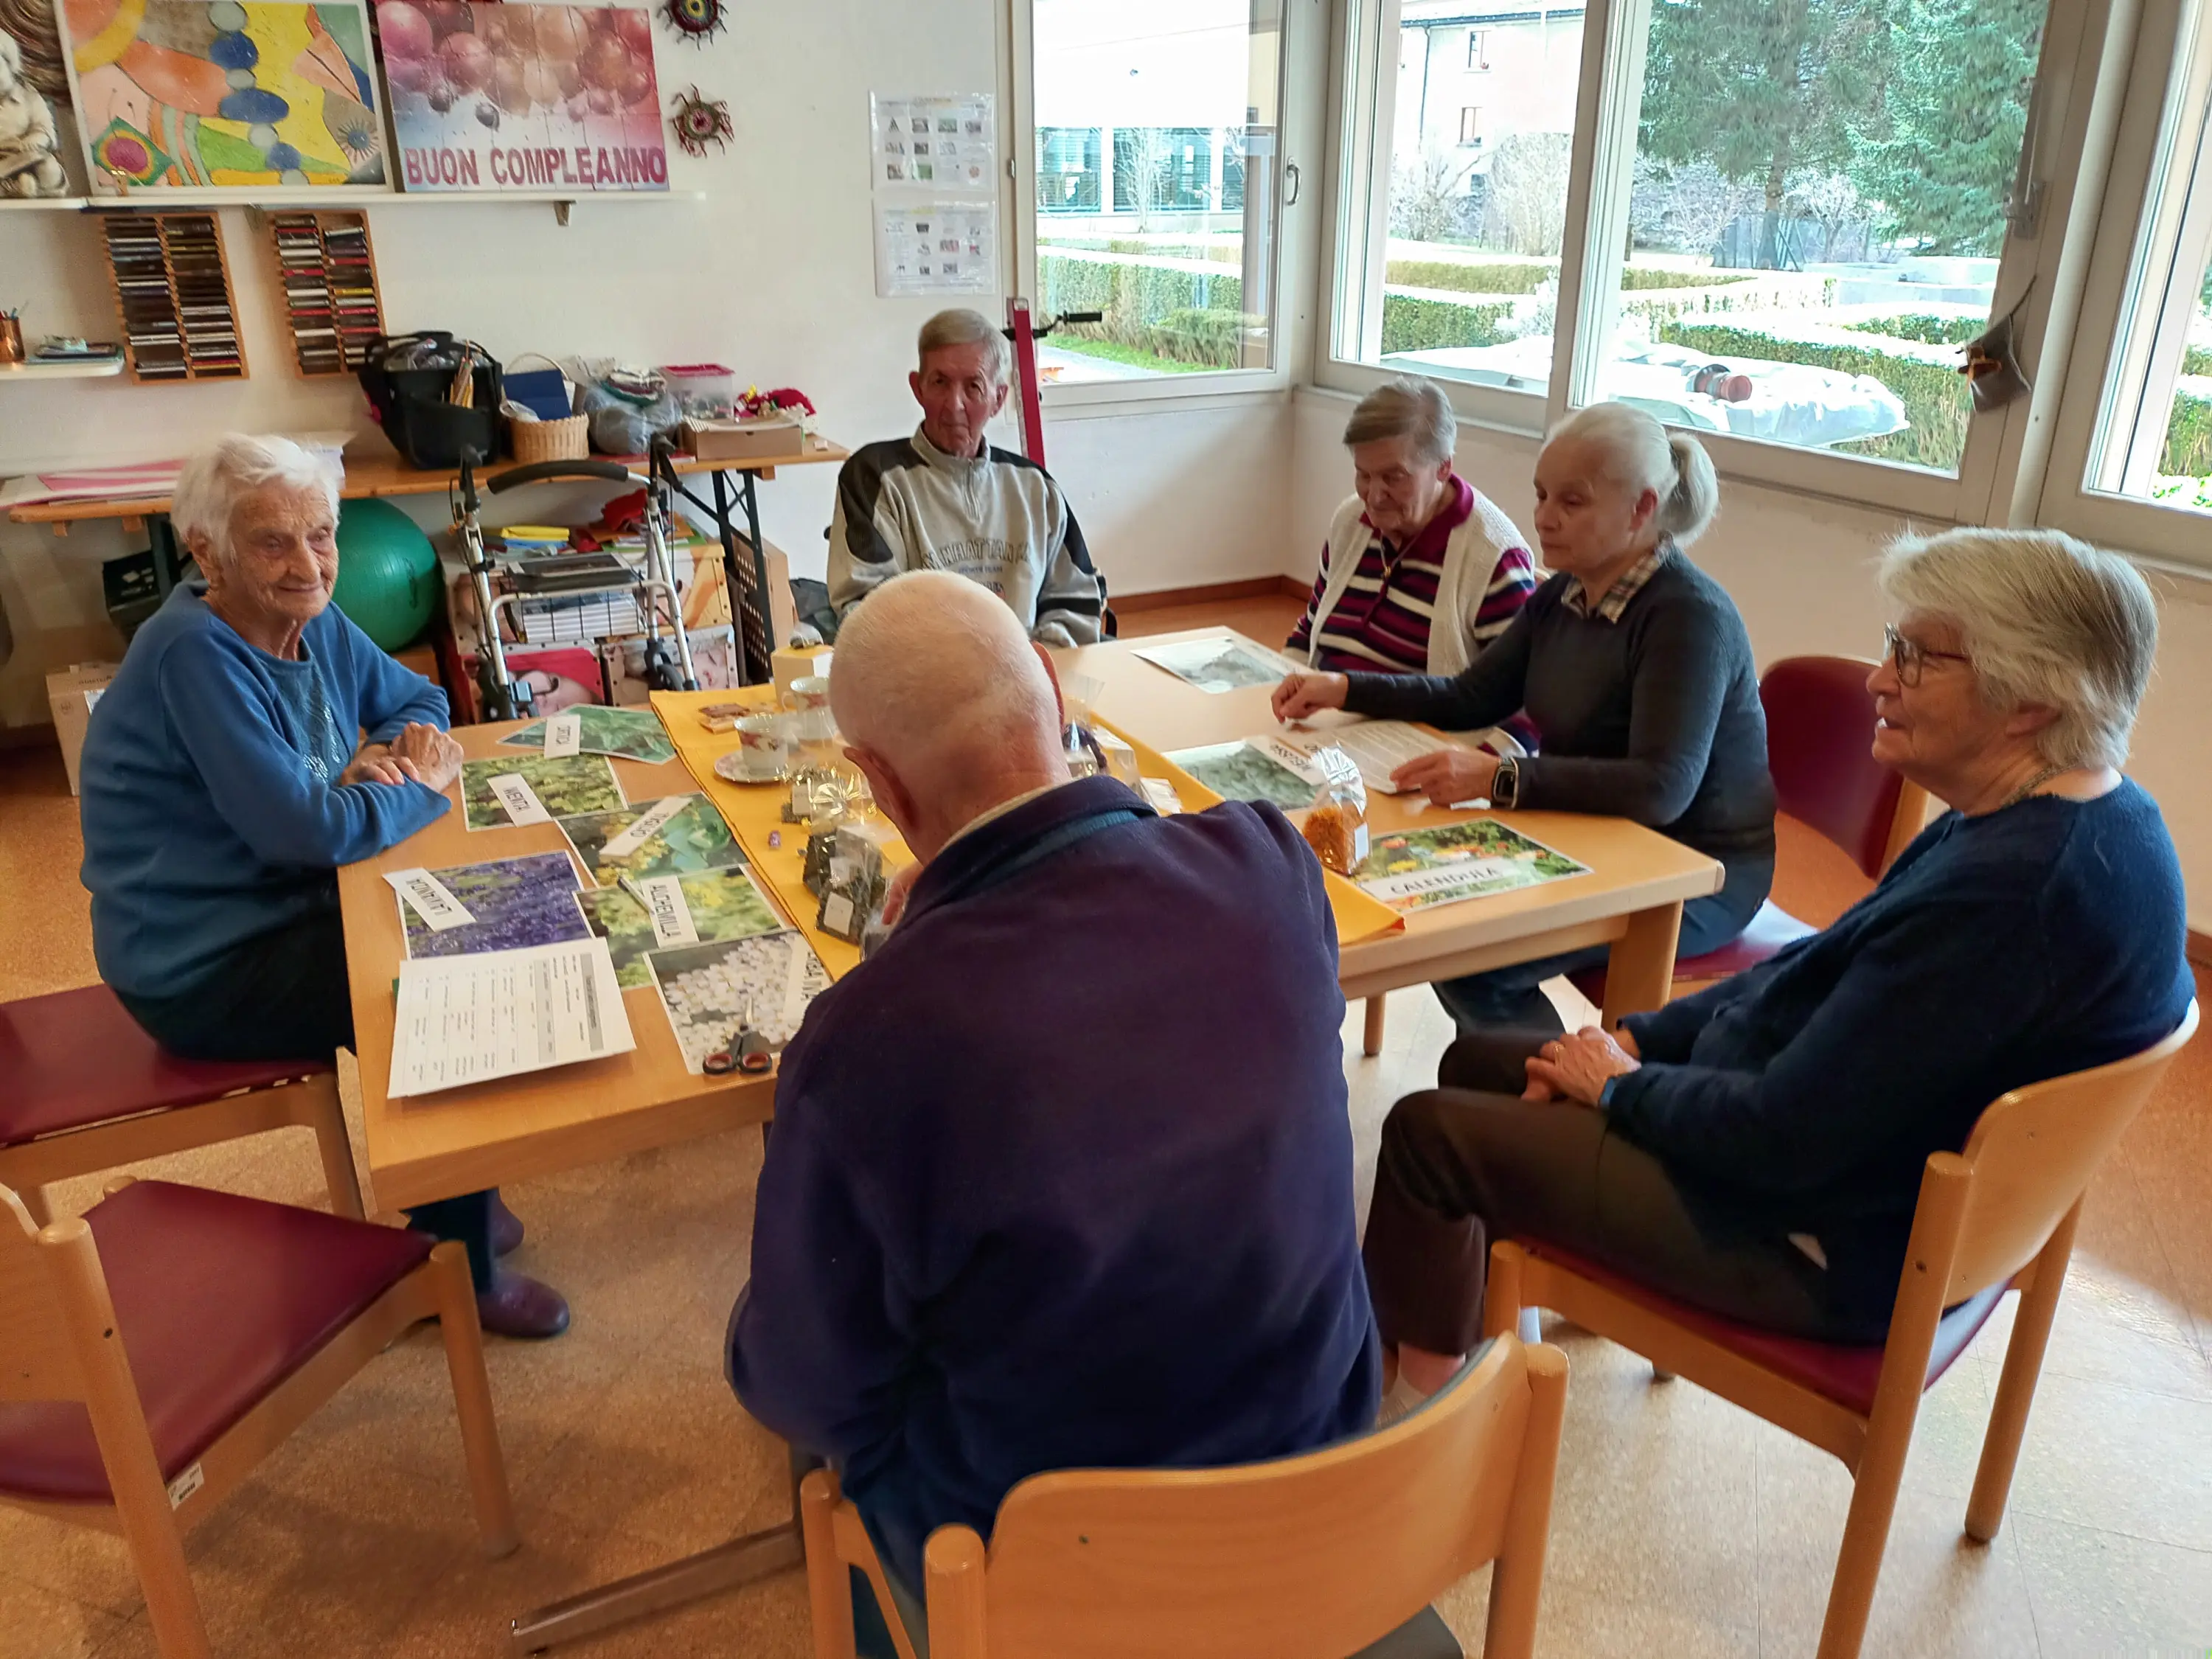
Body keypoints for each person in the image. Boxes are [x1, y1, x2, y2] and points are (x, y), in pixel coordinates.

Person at [1362, 528, 2192, 1399]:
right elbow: (1813, 970)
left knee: (1427, 1131)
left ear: (2029, 703)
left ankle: (1418, 1424)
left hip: (1824, 1243)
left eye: (1913, 658)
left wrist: (1619, 1086)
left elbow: (1780, 1140)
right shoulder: (2084, 816)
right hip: (1852, 1174)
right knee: (1485, 1058)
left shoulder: (2010, 898)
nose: (1880, 678)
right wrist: (1642, 1041)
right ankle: (1456, 1346)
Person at [727, 571, 1378, 1646]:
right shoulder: (1269, 861)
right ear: (1054, 690)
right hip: (1328, 1480)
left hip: (1064, 1585)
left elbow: (807, 1388)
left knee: (818, 1408)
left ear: (878, 784)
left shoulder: (868, 1039)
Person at [77, 434, 569, 1340]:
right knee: (429, 993)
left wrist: (394, 754)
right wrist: (416, 789)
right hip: (200, 962)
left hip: (281, 900)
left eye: (323, 535)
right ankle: (452, 1267)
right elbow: (306, 833)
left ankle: (461, 1188)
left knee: (455, 916)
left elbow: (418, 702)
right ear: (207, 552)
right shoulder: (195, 652)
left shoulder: (313, 615)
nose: (308, 564)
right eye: (273, 542)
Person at [1274, 401, 1775, 1032]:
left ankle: (1545, 1095)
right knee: (1455, 939)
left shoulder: (1688, 617)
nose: (1543, 518)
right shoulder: (1562, 594)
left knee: (1477, 961)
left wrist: (1497, 780)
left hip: (1693, 872)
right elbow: (1467, 697)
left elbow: (1662, 787)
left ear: (1642, 509)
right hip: (1590, 831)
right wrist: (1345, 687)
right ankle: (1520, 1088)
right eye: (1541, 495)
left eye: (1572, 501)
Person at [827, 307, 1109, 646]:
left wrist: (1028, 668)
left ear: (998, 399)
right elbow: (870, 613)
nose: (954, 404)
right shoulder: (874, 478)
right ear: (918, 389)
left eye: (973, 386)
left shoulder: (1035, 487)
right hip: (927, 682)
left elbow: (1076, 603)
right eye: (940, 382)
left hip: (1029, 677)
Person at [1286, 377, 1537, 678]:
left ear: (1443, 467)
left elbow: (1515, 700)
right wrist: (1280, 681)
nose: (1374, 497)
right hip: (1326, 711)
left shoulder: (1495, 560)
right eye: (1364, 475)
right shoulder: (1351, 521)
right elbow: (1310, 631)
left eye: (1394, 477)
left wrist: (1351, 698)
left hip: (1414, 724)